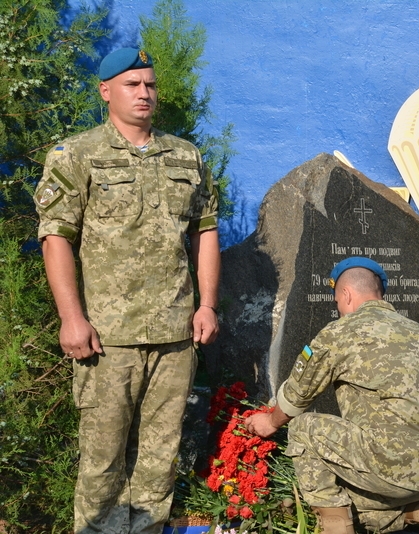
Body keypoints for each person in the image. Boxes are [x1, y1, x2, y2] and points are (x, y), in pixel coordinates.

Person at [34, 48, 220, 534]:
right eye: (132, 84)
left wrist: (207, 304)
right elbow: (57, 238)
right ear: (106, 91)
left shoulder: (186, 155)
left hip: (175, 334)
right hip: (106, 338)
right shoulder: (75, 154)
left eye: (150, 85)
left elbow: (204, 232)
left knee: (160, 460)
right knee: (102, 464)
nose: (144, 93)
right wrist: (71, 318)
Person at [244, 257, 419, 534]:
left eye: (338, 303)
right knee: (355, 502)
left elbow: (298, 394)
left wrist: (269, 422)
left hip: (386, 468)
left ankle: (335, 529)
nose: (340, 309)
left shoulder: (340, 333)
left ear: (346, 294)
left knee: (303, 428)